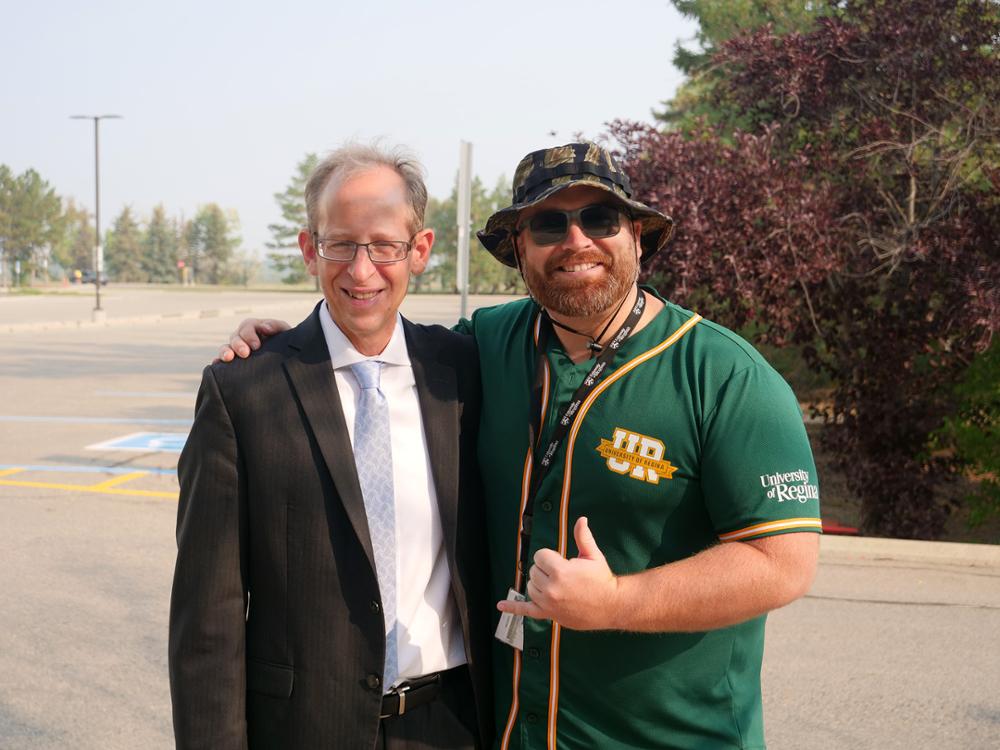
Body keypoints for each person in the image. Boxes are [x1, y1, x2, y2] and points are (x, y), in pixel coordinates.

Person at [222, 142, 822, 749]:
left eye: (599, 218)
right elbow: (375, 330)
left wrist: (616, 602)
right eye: (548, 224)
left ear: (638, 236)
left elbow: (783, 563)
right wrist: (291, 347)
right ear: (518, 250)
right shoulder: (482, 347)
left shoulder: (724, 377)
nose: (576, 241)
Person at [169, 144, 493, 750]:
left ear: (419, 251)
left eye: (384, 245)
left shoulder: (466, 374)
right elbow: (206, 620)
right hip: (300, 730)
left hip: (449, 725)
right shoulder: (242, 391)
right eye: (340, 243)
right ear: (308, 248)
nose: (361, 269)